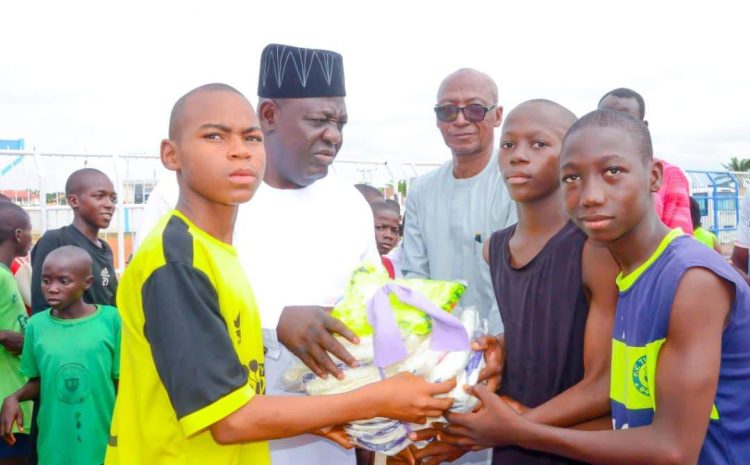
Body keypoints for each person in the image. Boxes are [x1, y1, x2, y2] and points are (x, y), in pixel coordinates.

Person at [107, 83, 455, 465]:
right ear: (171, 155)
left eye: (250, 137)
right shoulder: (177, 261)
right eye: (214, 136)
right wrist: (372, 400)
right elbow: (228, 420)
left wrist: (314, 421)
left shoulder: (217, 252)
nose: (239, 149)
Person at [430, 109, 750, 464]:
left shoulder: (691, 280)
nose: (590, 196)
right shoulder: (629, 275)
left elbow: (673, 449)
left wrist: (518, 430)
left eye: (612, 172)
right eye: (572, 178)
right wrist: (506, 419)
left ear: (654, 176)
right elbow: (626, 424)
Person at [134, 44, 386, 465]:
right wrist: (277, 321)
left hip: (326, 440)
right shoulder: (188, 194)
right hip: (208, 441)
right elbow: (158, 305)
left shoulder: (350, 203)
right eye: (319, 119)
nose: (334, 134)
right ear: (269, 115)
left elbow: (373, 302)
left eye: (341, 122)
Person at [413, 100, 619, 465]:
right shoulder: (495, 248)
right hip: (513, 447)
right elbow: (538, 334)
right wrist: (501, 350)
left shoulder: (593, 247)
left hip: (576, 443)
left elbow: (603, 385)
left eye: (538, 144)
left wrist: (512, 426)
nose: (518, 156)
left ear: (570, 158)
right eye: (508, 145)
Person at [402, 68, 517, 338]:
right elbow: (415, 277)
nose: (461, 120)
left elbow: (516, 283)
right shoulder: (421, 191)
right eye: (448, 111)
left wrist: (497, 345)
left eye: (475, 110)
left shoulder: (515, 184)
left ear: (497, 115)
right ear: (438, 119)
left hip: (505, 345)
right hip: (434, 350)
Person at [1, 246, 120, 465]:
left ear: (87, 283)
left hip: (102, 442)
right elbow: (40, 380)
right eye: (46, 280)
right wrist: (14, 397)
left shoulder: (111, 321)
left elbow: (120, 381)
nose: (52, 288)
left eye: (63, 281)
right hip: (55, 444)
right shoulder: (37, 325)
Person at [598, 88, 693, 234]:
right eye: (604, 119)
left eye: (624, 119)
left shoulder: (670, 175)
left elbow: (679, 242)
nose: (613, 126)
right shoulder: (581, 171)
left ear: (644, 126)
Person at [30, 168, 118, 313]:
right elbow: (41, 303)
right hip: (67, 333)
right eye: (99, 196)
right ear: (73, 201)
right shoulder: (55, 240)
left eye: (112, 198)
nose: (109, 204)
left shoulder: (105, 248)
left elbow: (110, 301)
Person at [0, 202, 33, 465]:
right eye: (31, 231)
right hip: (5, 402)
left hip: (16, 395)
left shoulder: (7, 274)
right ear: (19, 235)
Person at [371, 200, 401, 278]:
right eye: (380, 227)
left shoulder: (387, 264)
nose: (389, 235)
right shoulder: (353, 263)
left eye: (394, 230)